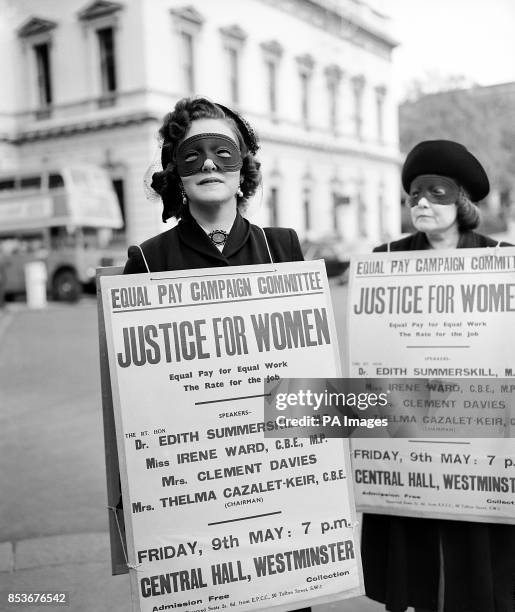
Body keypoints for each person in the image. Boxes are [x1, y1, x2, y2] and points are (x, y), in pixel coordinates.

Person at [124, 96, 310, 612]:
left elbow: (307, 370)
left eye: (222, 152)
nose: (208, 164)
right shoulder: (147, 259)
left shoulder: (282, 247)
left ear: (244, 167)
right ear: (175, 174)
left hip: (276, 478)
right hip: (195, 488)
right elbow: (140, 396)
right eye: (192, 155)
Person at [361, 139, 515, 612]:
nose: (422, 202)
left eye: (436, 192)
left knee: (478, 571)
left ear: (462, 201)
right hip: (410, 443)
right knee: (417, 568)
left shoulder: (501, 261)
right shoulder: (384, 260)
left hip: (480, 440)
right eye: (414, 194)